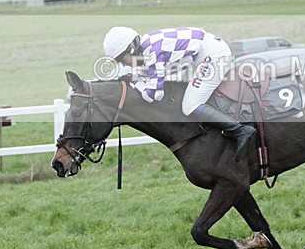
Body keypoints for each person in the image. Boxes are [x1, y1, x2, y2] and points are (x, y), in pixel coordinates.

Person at [102, 26, 256, 154]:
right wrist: (132, 79)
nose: (123, 64)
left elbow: (153, 94)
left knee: (190, 106)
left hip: (212, 55)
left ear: (131, 47)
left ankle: (240, 130)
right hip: (197, 56)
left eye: (121, 59)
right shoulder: (144, 49)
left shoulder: (152, 51)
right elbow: (143, 77)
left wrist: (131, 83)